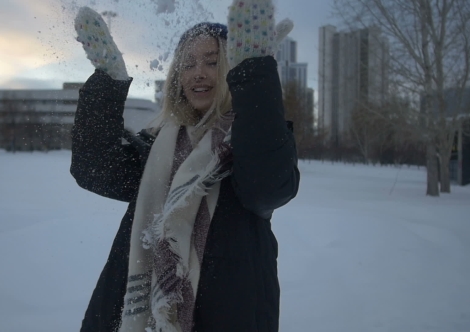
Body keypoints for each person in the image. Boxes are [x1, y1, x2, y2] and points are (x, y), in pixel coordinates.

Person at [70, 0, 300, 331]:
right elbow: (95, 169)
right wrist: (109, 82)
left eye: (212, 61)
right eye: (188, 64)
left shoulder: (253, 141)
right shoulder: (157, 148)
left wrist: (254, 75)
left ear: (231, 67)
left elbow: (265, 188)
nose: (198, 73)